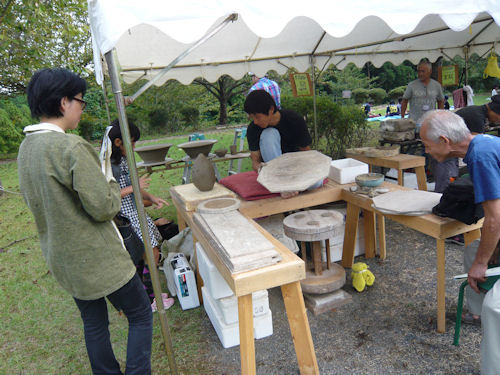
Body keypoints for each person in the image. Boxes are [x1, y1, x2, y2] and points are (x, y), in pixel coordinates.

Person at [18, 68, 152, 374]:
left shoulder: (26, 149)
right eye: (80, 101)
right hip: (98, 257)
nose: (82, 108)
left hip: (63, 258)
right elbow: (104, 207)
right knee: (141, 313)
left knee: (94, 324)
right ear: (64, 102)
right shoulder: (70, 147)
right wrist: (114, 185)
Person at [420, 110, 500, 375]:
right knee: (473, 250)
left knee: (495, 308)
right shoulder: (480, 144)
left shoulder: (480, 154)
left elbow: (493, 220)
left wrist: (481, 265)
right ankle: (477, 317)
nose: (426, 150)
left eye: (426, 145)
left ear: (444, 140)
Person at [244, 89, 322, 198]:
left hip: (295, 168)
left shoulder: (294, 120)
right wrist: (259, 168)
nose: (255, 121)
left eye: (257, 117)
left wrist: (310, 170)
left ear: (271, 109)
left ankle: (291, 186)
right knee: (269, 133)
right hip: (274, 174)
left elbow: (306, 153)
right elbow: (255, 162)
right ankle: (283, 186)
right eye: (252, 118)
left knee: (317, 182)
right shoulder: (253, 129)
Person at [400, 59, 444, 129]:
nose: (420, 74)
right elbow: (404, 101)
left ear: (430, 72)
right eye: (419, 71)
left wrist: (440, 117)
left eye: (423, 71)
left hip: (431, 123)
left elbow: (440, 101)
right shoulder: (411, 85)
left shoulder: (437, 85)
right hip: (414, 123)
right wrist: (402, 117)